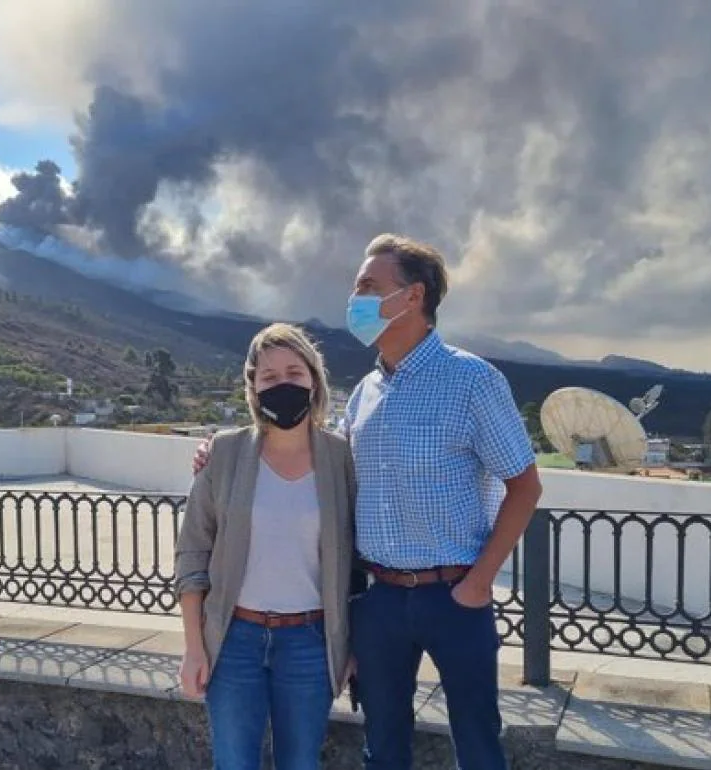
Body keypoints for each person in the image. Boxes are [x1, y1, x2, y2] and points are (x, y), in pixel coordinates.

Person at [194, 234, 543, 769]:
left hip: (453, 595)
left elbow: (525, 485)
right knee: (383, 744)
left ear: (413, 296)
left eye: (368, 287)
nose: (355, 299)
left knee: (476, 741)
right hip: (379, 602)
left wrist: (477, 585)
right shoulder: (366, 393)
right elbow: (314, 454)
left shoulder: (471, 380)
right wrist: (218, 454)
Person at [174, 322, 357, 770]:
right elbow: (193, 553)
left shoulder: (341, 458)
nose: (283, 384)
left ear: (314, 380)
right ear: (253, 387)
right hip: (235, 640)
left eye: (294, 373)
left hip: (310, 643)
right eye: (269, 377)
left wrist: (351, 645)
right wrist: (194, 648)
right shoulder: (225, 453)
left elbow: (357, 561)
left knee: (301, 764)